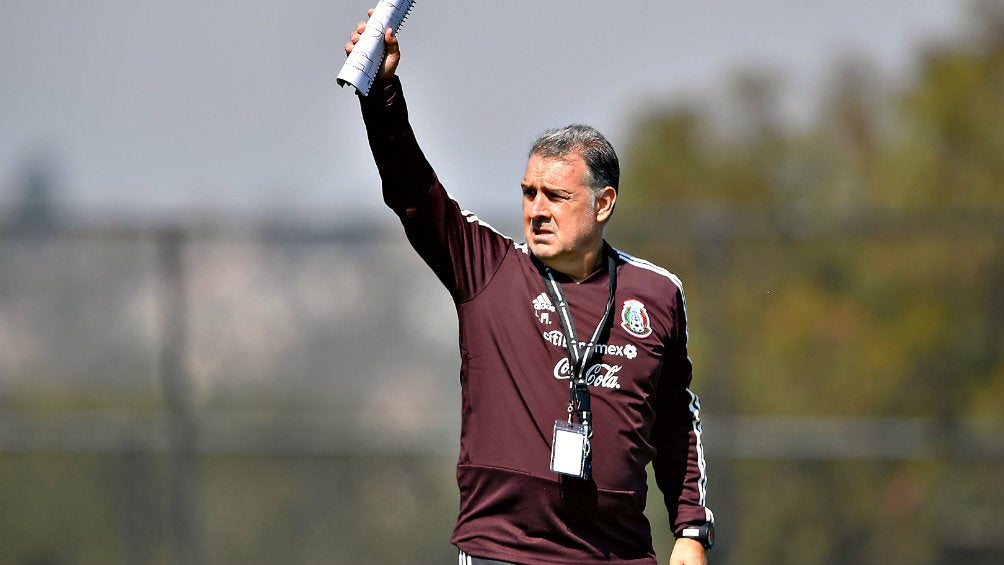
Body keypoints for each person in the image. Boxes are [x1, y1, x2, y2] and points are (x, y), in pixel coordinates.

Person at [345, 11, 714, 565]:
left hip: (616, 553)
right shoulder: (487, 269)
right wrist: (382, 92)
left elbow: (675, 421)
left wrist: (689, 528)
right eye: (528, 193)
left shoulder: (656, 293)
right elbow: (412, 191)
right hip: (503, 551)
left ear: (604, 203)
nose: (536, 211)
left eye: (555, 196)